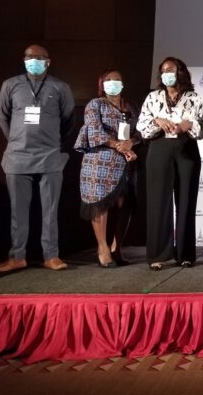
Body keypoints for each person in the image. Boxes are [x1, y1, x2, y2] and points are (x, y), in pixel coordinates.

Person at [0, 44, 74, 273]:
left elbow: (68, 120)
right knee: (17, 211)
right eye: (29, 56)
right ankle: (17, 256)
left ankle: (51, 255)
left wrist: (53, 143)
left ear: (48, 61)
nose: (33, 60)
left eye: (38, 57)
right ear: (24, 60)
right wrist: (15, 141)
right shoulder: (10, 84)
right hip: (18, 156)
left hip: (50, 156)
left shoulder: (60, 87)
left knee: (50, 210)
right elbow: (3, 117)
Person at [137, 57, 203, 270]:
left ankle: (185, 254)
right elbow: (142, 127)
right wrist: (157, 121)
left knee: (186, 202)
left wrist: (189, 125)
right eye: (164, 70)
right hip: (159, 150)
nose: (167, 73)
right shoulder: (153, 97)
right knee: (158, 202)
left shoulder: (193, 97)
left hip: (186, 150)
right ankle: (157, 255)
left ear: (180, 72)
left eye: (171, 69)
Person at [74, 69, 141, 267]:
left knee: (124, 203)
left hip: (126, 162)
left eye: (117, 79)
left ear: (123, 83)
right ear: (102, 84)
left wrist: (131, 142)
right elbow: (94, 131)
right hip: (99, 160)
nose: (113, 83)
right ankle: (102, 248)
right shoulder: (95, 104)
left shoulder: (131, 106)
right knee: (100, 203)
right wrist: (119, 146)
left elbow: (141, 131)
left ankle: (116, 248)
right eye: (109, 80)